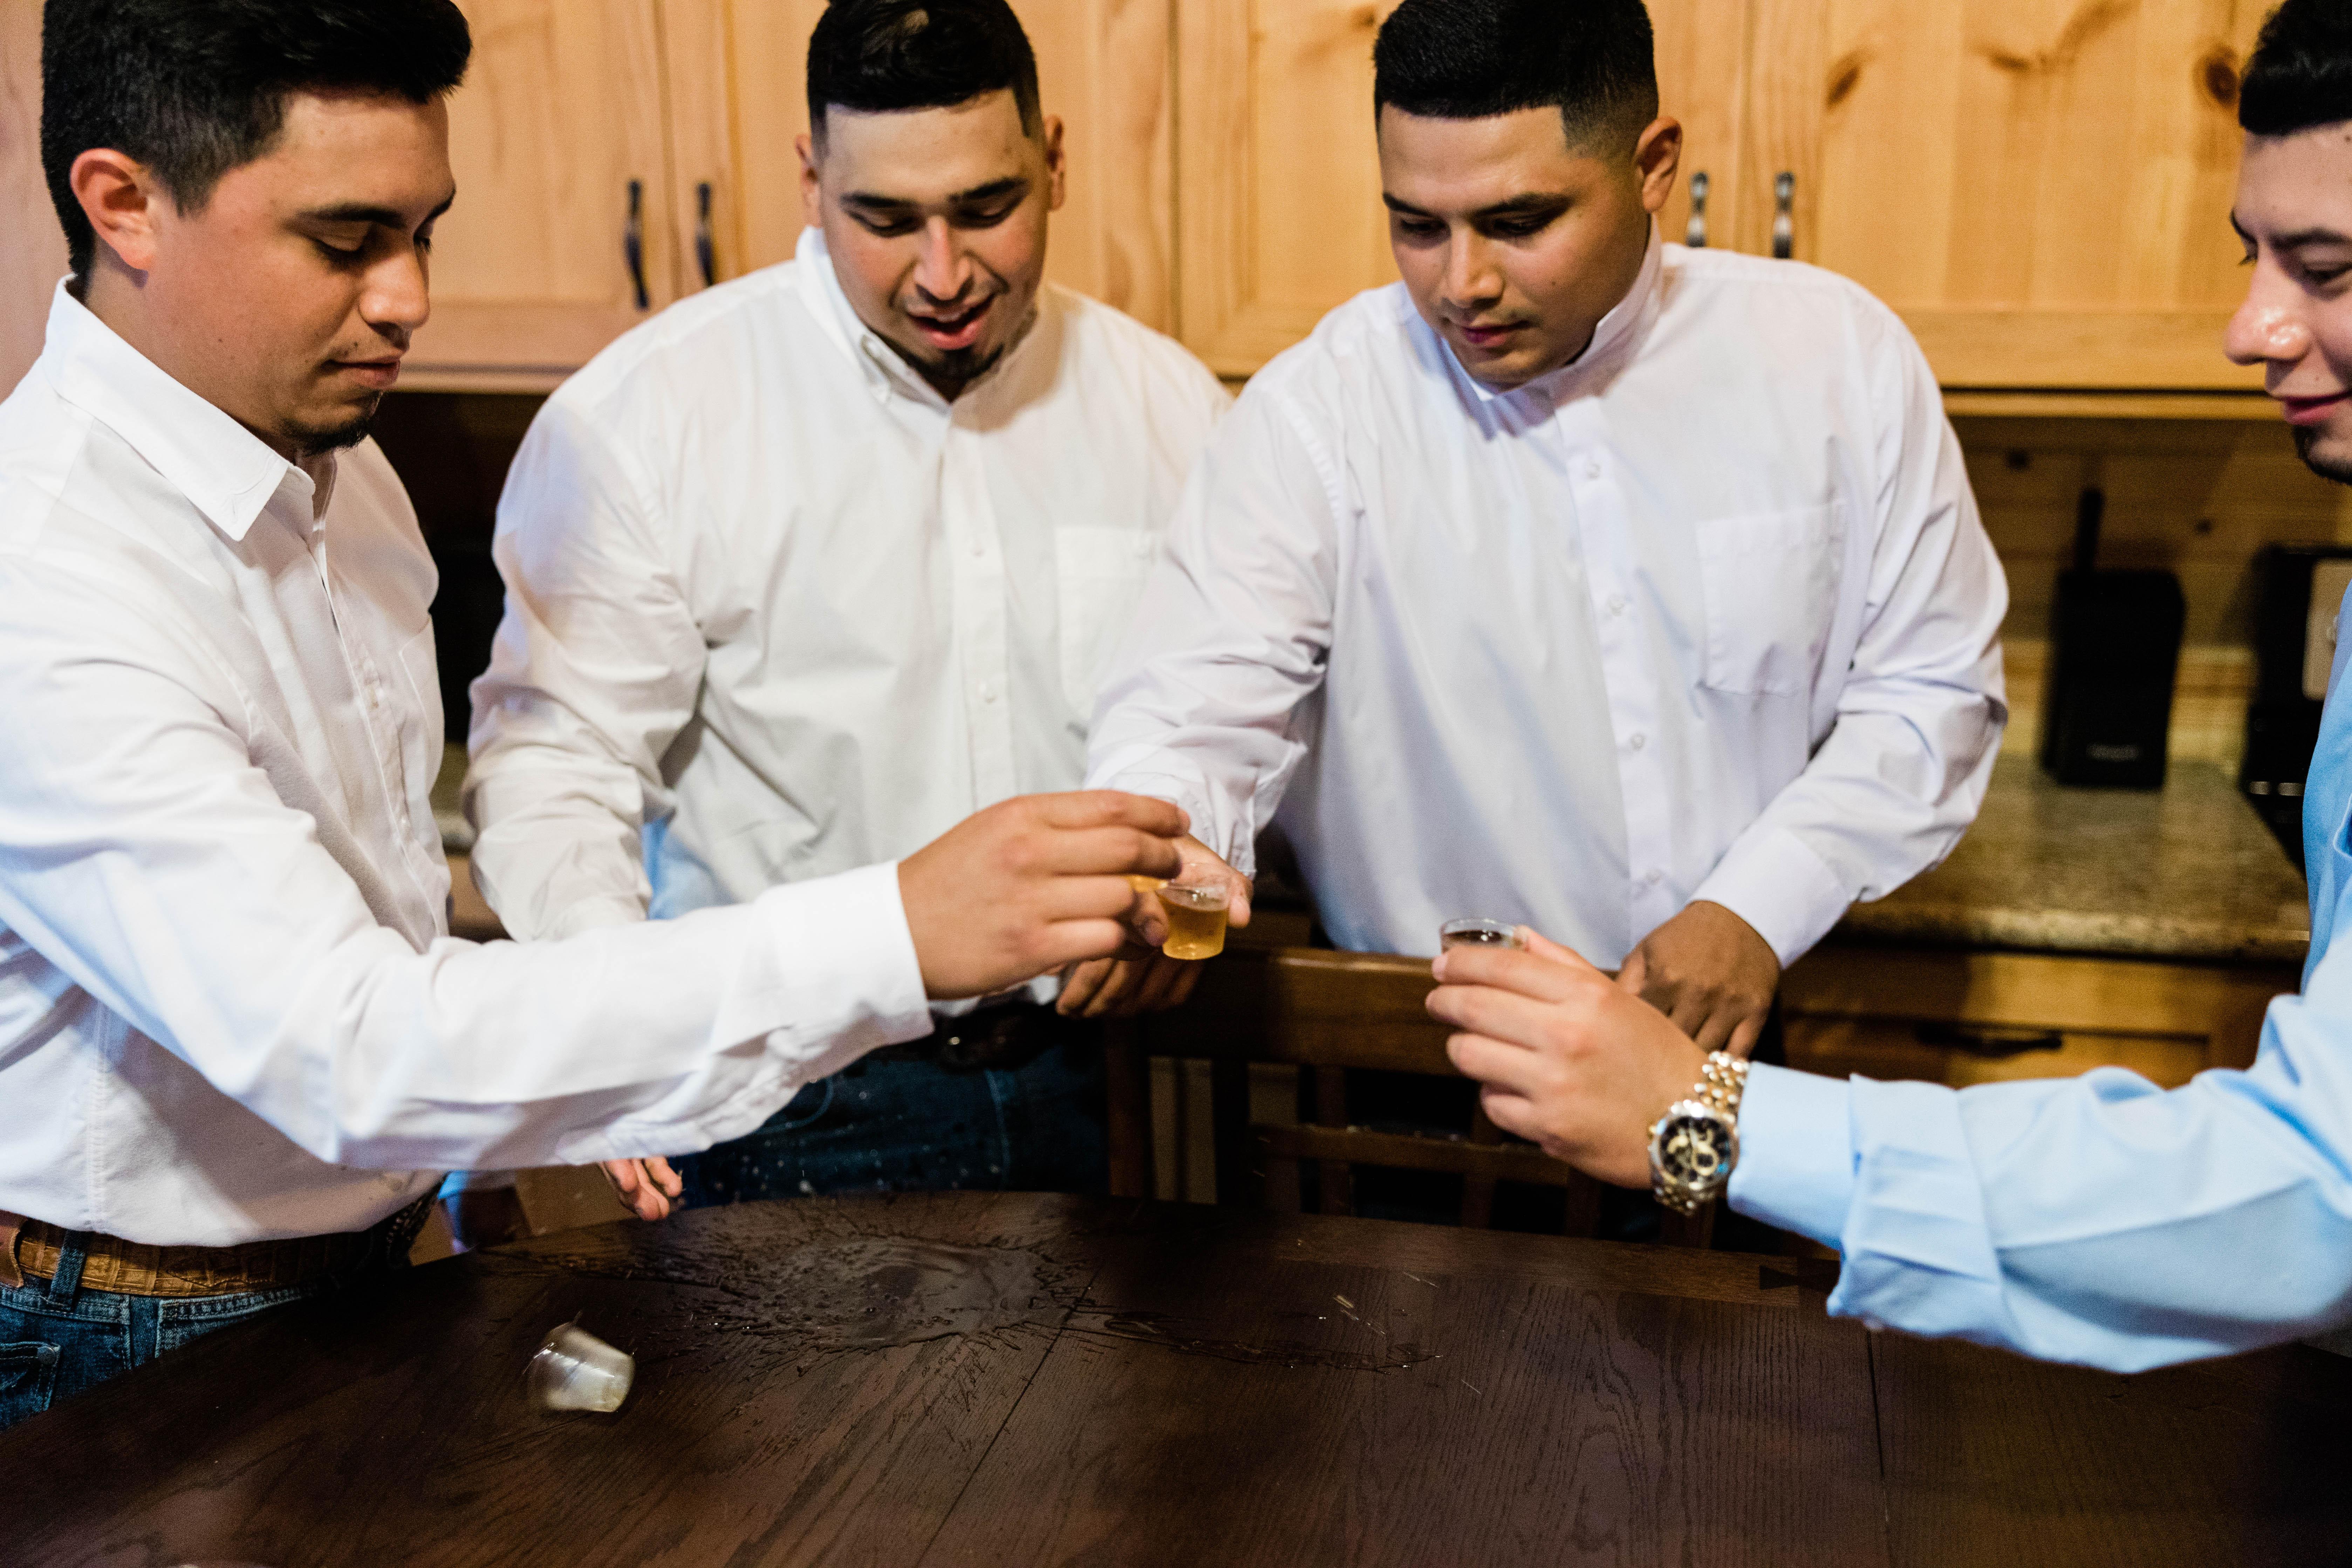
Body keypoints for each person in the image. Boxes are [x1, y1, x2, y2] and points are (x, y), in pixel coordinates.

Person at [0, 0, 1182, 1432]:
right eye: (348, 241)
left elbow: (388, 920)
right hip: (128, 1323)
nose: (409, 298)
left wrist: (504, 1142)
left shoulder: (341, 476)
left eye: (423, 231)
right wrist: (896, 929)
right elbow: (352, 1045)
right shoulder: (44, 582)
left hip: (374, 1257)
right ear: (123, 204)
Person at [1431, 0, 2352, 1374]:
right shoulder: (1328, 401)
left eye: (2324, 270)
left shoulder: (1830, 353)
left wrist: (1710, 1113)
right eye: (2251, 257)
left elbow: (2317, 1193)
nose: (2250, 325)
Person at [1085, 0, 2005, 1065]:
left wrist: (1758, 907)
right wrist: (1170, 837)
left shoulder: (1838, 361)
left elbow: (1932, 691)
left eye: (1519, 223)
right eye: (1417, 226)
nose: (1462, 284)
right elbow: (1194, 699)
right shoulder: (1316, 415)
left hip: (1722, 1036)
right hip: (1415, 1061)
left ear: (1653, 165)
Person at [460, 0, 1230, 1224]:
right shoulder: (648, 420)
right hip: (787, 1095)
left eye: (986, 206)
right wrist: (617, 1023)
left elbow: (1224, 713)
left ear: (1055, 162)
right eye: (885, 219)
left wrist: (1185, 903)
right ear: (811, 181)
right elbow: (556, 766)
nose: (944, 273)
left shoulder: (1176, 412)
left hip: (1090, 1074)